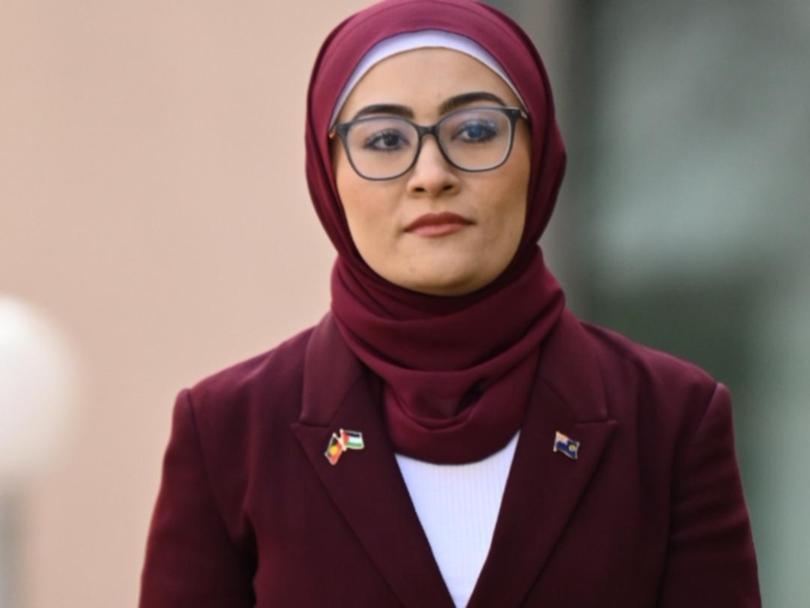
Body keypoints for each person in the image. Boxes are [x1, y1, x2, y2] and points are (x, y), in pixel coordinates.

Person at [139, 1, 761, 606]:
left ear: (538, 153)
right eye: (384, 138)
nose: (431, 173)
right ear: (328, 174)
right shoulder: (228, 430)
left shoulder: (670, 419)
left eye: (475, 131)